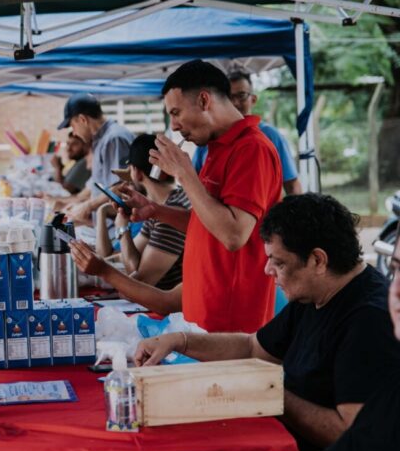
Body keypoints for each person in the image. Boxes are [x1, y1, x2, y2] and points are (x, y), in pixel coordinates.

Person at [134, 193, 400, 451]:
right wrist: (180, 341)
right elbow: (252, 347)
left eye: (279, 262)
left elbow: (350, 433)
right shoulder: (315, 291)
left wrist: (269, 392)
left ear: (318, 260)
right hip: (280, 437)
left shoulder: (369, 321)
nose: (267, 270)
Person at [119, 59, 281, 332]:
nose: (175, 126)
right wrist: (156, 211)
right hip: (202, 314)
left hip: (231, 321)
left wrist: (184, 174)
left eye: (177, 113)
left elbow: (233, 235)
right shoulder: (216, 148)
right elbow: (207, 222)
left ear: (204, 100)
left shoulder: (252, 149)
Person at [95, 133, 190, 290]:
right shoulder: (161, 205)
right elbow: (127, 258)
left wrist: (122, 228)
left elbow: (139, 281)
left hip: (170, 311)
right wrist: (102, 212)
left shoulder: (171, 211)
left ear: (136, 172)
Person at [193, 69, 302, 196]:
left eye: (241, 95)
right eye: (229, 97)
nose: (235, 103)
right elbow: (195, 183)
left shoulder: (270, 136)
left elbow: (292, 185)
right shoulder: (210, 139)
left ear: (253, 99)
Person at [56, 93, 134, 225]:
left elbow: (121, 187)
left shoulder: (113, 139)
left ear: (82, 120)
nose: (74, 133)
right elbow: (99, 185)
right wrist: (77, 204)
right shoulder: (101, 140)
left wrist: (87, 206)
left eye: (72, 126)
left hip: (119, 229)